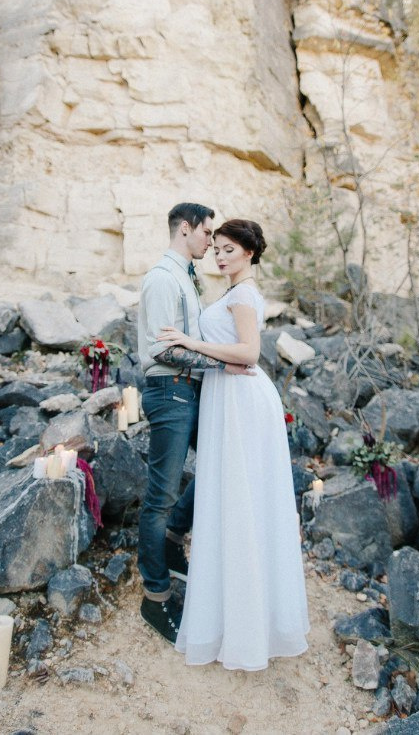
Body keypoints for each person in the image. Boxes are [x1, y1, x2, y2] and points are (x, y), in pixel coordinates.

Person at [158, 218, 310, 670]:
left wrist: (189, 342)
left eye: (228, 249)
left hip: (244, 399)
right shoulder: (229, 292)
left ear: (248, 252)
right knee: (230, 498)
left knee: (242, 499)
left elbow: (249, 353)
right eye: (217, 248)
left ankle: (248, 626)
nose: (220, 255)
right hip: (227, 396)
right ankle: (233, 615)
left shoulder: (243, 294)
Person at [137, 202, 254, 642]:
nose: (211, 242)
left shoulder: (187, 276)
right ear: (185, 229)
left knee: (221, 465)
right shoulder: (163, 278)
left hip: (190, 390)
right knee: (159, 496)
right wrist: (222, 366)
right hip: (169, 391)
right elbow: (162, 350)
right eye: (207, 233)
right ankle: (156, 597)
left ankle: (171, 538)